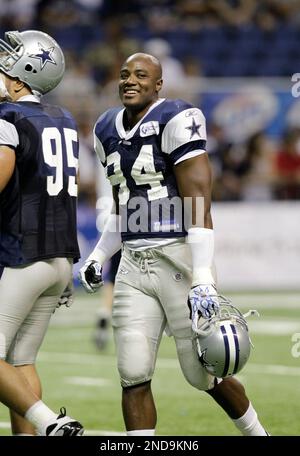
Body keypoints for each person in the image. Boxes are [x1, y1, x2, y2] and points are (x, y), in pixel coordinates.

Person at [79, 52, 268, 436]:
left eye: (142, 75)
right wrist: (99, 254)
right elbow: (123, 208)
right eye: (125, 74)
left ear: (158, 84)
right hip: (133, 263)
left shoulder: (177, 118)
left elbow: (198, 201)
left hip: (177, 257)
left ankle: (257, 433)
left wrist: (202, 276)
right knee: (132, 371)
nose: (130, 80)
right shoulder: (105, 128)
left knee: (201, 373)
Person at [0, 29, 83, 436]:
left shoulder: (10, 118)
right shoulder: (64, 118)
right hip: (60, 257)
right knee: (20, 361)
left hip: (23, 255)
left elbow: (1, 174)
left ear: (23, 72)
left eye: (8, 59)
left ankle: (51, 424)